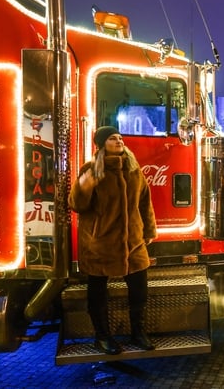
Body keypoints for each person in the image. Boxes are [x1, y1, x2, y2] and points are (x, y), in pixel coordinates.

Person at [69, 126, 157, 354]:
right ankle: (102, 337)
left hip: (133, 242)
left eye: (119, 137)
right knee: (97, 291)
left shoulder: (133, 169)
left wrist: (148, 231)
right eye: (111, 138)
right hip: (100, 242)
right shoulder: (91, 169)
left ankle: (138, 333)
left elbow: (145, 202)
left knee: (139, 289)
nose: (118, 140)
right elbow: (77, 205)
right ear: (101, 144)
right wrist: (84, 187)